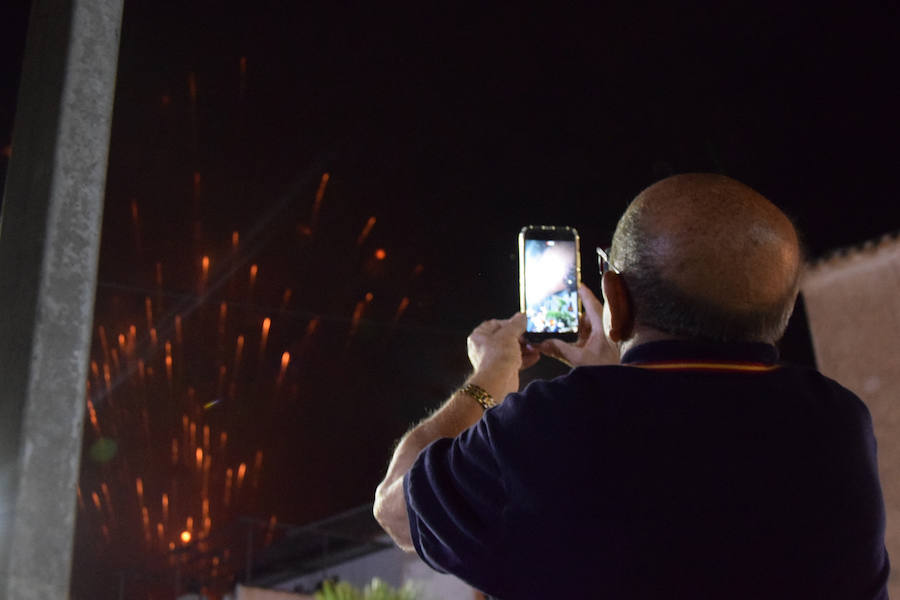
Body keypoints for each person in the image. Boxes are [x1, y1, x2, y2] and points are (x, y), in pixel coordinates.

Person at [373, 173, 890, 598]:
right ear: (781, 309)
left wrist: (491, 374)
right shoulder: (836, 425)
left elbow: (395, 506)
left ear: (614, 298)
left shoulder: (549, 426)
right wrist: (612, 372)